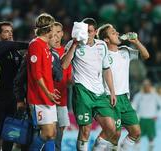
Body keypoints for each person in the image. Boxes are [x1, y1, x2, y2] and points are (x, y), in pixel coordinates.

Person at [62, 18, 117, 151]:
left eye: (90, 32)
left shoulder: (102, 45)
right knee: (85, 130)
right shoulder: (73, 44)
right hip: (82, 92)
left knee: (111, 128)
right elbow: (63, 65)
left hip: (99, 93)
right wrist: (74, 45)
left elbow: (106, 69)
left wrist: (112, 91)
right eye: (85, 31)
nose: (87, 34)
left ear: (96, 32)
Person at [94, 23, 149, 151]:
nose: (117, 33)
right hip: (109, 97)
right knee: (115, 135)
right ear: (106, 39)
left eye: (116, 31)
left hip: (125, 97)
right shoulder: (102, 54)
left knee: (136, 132)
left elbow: (146, 56)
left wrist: (136, 42)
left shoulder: (125, 51)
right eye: (113, 32)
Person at [0, 21, 28, 151]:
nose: (9, 34)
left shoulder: (16, 54)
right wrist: (33, 44)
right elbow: (11, 45)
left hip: (12, 97)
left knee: (10, 132)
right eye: (6, 31)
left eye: (11, 31)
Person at [27, 13, 61, 151]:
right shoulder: (36, 45)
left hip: (47, 95)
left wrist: (51, 89)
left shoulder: (46, 46)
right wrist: (47, 92)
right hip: (38, 97)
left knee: (53, 134)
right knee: (47, 133)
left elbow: (46, 73)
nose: (55, 31)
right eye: (53, 27)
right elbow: (36, 74)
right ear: (48, 29)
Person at [50, 21, 72, 151]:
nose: (56, 35)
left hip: (62, 97)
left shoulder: (66, 51)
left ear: (62, 34)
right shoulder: (46, 50)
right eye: (53, 32)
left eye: (58, 32)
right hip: (47, 96)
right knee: (50, 129)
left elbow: (69, 76)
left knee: (62, 126)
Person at [132, 79, 161, 151]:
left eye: (147, 85)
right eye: (145, 85)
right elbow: (133, 106)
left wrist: (157, 115)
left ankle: (150, 148)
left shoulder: (155, 95)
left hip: (151, 119)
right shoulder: (138, 95)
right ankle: (136, 149)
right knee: (137, 136)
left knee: (151, 137)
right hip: (141, 119)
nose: (146, 87)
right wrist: (136, 116)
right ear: (143, 86)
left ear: (150, 86)